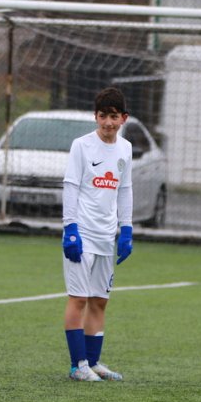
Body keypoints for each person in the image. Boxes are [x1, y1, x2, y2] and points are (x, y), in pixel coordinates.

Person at [61, 87, 134, 382]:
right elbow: (70, 186)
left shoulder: (126, 149)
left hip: (107, 236)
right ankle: (78, 365)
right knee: (78, 299)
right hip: (83, 234)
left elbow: (125, 189)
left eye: (113, 117)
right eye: (103, 116)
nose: (107, 122)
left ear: (123, 118)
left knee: (99, 301)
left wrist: (126, 229)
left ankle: (93, 362)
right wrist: (70, 229)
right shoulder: (81, 146)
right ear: (96, 116)